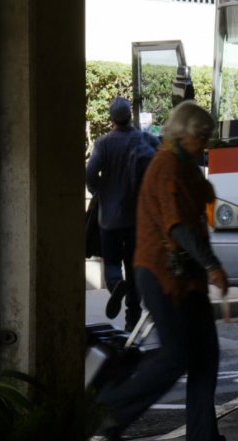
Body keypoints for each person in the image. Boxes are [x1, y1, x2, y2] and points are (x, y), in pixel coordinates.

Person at [96, 101, 237, 441]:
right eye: (200, 137)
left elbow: (202, 202)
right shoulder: (167, 166)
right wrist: (212, 266)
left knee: (205, 356)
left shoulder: (186, 165)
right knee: (175, 356)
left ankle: (203, 440)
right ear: (182, 134)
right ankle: (109, 409)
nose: (204, 143)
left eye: (207, 137)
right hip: (161, 274)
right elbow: (177, 227)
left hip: (186, 277)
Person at [86, 97, 158, 332]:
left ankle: (117, 285)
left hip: (110, 218)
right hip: (138, 218)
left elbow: (90, 172)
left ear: (111, 117)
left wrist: (98, 190)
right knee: (134, 265)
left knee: (113, 263)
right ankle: (132, 318)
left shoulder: (104, 143)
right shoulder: (145, 140)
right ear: (130, 115)